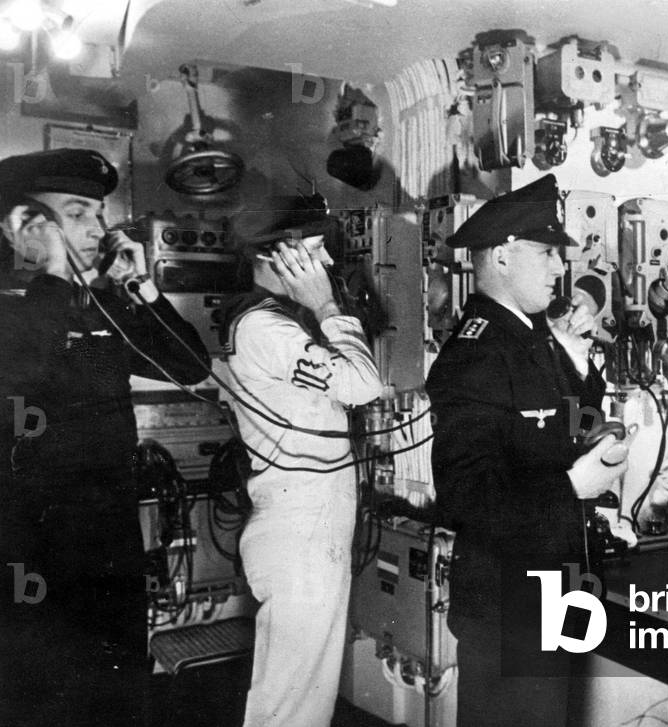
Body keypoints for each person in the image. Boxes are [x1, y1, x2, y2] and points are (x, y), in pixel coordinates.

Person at [0, 148, 211, 725]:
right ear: (22, 226)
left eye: (100, 212)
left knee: (115, 690)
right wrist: (49, 276)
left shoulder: (98, 303)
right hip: (31, 550)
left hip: (109, 533)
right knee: (40, 695)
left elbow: (191, 366)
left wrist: (140, 288)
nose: (99, 228)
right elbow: (25, 378)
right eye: (78, 213)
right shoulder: (16, 308)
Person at [425, 174, 628, 727]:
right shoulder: (476, 357)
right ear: (503, 257)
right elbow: (468, 496)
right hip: (505, 602)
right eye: (547, 254)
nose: (562, 269)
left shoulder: (530, 335)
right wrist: (573, 488)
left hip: (551, 584)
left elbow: (568, 420)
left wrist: (577, 357)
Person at [221, 194, 382, 727]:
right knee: (291, 704)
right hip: (299, 529)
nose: (330, 264)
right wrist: (328, 306)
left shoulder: (280, 323)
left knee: (305, 699)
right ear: (276, 256)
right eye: (316, 251)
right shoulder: (266, 329)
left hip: (312, 520)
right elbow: (362, 385)